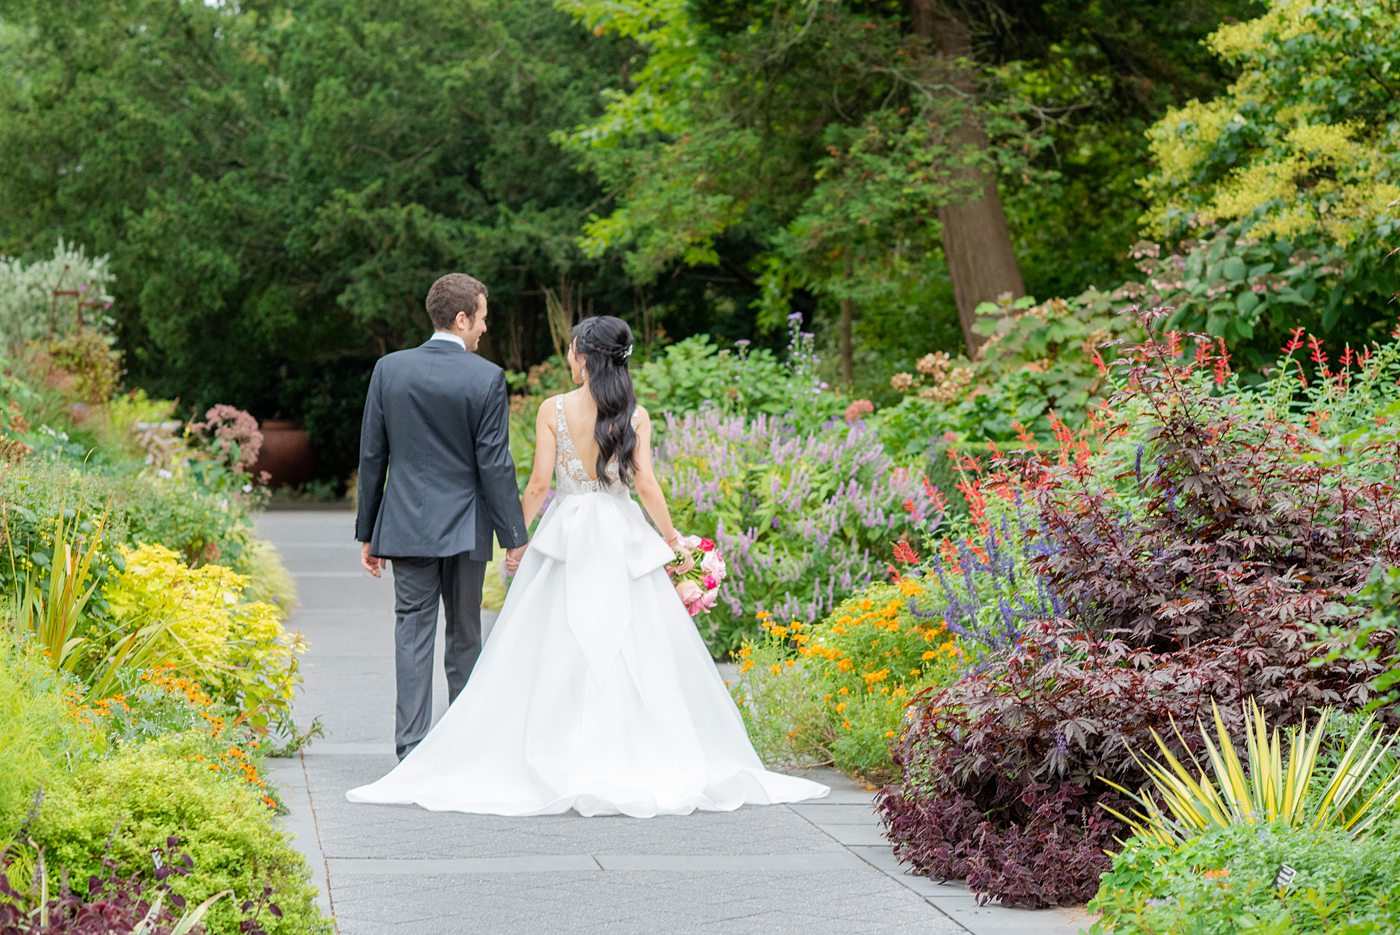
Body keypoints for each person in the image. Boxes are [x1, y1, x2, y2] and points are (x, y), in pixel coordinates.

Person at [347, 314, 829, 816]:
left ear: (584, 358)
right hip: (621, 534)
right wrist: (673, 541)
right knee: (633, 643)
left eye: (574, 349)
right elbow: (645, 485)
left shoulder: (553, 410)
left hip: (568, 532)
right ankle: (633, 748)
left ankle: (538, 745)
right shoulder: (634, 415)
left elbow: (536, 485)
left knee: (551, 640)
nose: (570, 357)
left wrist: (516, 540)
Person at [354, 273, 528, 762]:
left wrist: (367, 532)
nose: (485, 330)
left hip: (405, 525)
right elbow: (495, 462)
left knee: (411, 630)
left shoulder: (389, 370)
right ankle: (463, 745)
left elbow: (373, 456)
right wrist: (514, 534)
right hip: (466, 527)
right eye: (483, 319)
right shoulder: (486, 377)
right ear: (461, 318)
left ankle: (411, 748)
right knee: (465, 634)